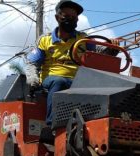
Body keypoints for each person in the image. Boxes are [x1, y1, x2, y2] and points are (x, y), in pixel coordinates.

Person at [26, 0, 118, 131]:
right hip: (52, 79)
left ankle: (94, 126)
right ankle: (53, 126)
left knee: (100, 87)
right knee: (59, 81)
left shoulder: (83, 39)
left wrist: (111, 49)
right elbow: (32, 62)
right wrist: (33, 79)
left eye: (74, 18)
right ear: (58, 18)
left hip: (78, 81)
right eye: (67, 17)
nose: (71, 20)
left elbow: (99, 52)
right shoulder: (45, 40)